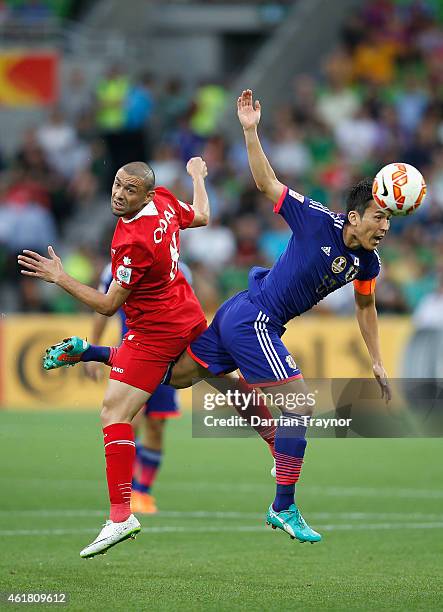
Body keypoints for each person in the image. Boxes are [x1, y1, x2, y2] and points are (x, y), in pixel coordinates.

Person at [42, 90, 392, 544]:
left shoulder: (368, 262)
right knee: (300, 404)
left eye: (389, 221)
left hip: (236, 315)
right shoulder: (318, 220)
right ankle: (283, 506)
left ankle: (90, 351)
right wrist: (250, 131)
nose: (385, 228)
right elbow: (268, 184)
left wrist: (378, 360)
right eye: (379, 218)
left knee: (179, 376)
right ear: (357, 214)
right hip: (255, 318)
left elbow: (366, 307)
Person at [18, 158, 210, 558]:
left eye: (130, 190)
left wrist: (61, 277)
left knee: (114, 414)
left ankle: (122, 515)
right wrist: (197, 178)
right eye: (118, 185)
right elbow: (204, 215)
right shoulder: (169, 203)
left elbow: (107, 306)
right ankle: (279, 447)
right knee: (204, 378)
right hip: (185, 314)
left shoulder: (132, 241)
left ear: (147, 195)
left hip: (155, 331)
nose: (119, 194)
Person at [86, 260, 194, 514]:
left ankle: (143, 493)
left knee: (157, 425)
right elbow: (103, 308)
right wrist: (94, 344)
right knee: (128, 421)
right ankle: (128, 490)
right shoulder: (112, 269)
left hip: (168, 357)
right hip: (133, 355)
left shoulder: (181, 270)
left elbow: (187, 312)